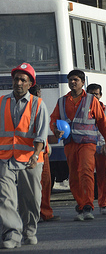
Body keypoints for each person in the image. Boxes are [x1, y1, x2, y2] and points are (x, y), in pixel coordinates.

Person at [50, 70, 106, 221]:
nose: (73, 82)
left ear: (82, 82)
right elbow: (54, 118)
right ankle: (80, 205)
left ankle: (88, 206)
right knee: (73, 176)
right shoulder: (62, 101)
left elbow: (103, 123)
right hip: (70, 143)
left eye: (76, 80)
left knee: (86, 172)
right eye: (71, 80)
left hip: (87, 143)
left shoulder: (91, 100)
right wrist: (55, 129)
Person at [0, 63, 49, 249]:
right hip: (5, 157)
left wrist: (36, 155)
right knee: (5, 198)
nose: (18, 82)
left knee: (31, 199)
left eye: (23, 80)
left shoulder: (38, 104)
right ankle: (12, 233)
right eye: (16, 79)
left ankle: (29, 230)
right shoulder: (2, 102)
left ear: (30, 84)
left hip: (30, 159)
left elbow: (41, 135)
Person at [28, 84, 60, 223]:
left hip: (42, 153)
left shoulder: (39, 107)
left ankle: (44, 213)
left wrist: (56, 137)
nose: (40, 95)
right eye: (39, 93)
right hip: (35, 153)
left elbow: (44, 136)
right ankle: (38, 214)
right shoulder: (33, 109)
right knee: (37, 186)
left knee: (45, 185)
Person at [87, 83, 106, 216]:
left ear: (101, 95)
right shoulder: (82, 109)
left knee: (104, 177)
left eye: (96, 95)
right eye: (91, 94)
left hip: (103, 148)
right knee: (86, 176)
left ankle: (103, 203)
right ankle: (86, 204)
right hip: (87, 147)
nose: (94, 97)